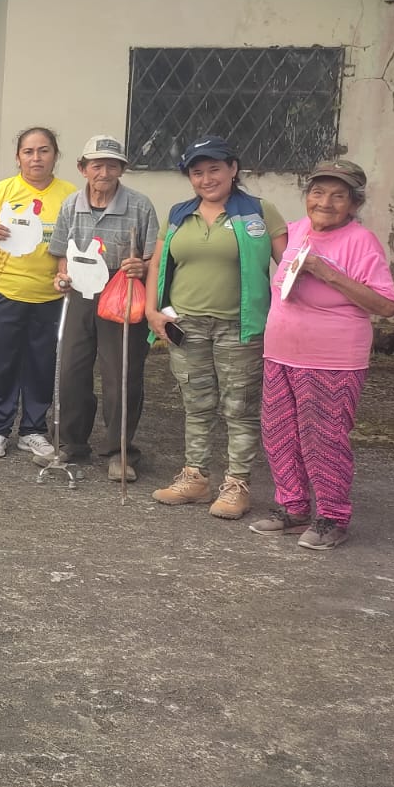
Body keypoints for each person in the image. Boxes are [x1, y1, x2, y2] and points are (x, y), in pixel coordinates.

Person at [252, 160, 394, 548]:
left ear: (354, 203)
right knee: (279, 432)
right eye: (317, 192)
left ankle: (332, 517)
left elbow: (386, 305)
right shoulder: (297, 230)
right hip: (281, 351)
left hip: (331, 357)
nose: (325, 202)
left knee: (323, 438)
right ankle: (293, 507)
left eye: (338, 195)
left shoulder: (361, 241)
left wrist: (328, 272)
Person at [146, 137, 288, 519]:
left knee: (239, 407)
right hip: (185, 324)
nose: (206, 179)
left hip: (240, 326)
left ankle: (237, 484)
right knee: (196, 404)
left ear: (233, 169)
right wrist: (151, 311)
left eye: (214, 169)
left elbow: (288, 267)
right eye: (197, 172)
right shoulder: (178, 214)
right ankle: (195, 477)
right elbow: (157, 264)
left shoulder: (259, 211)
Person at [47, 135, 160, 480]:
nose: (104, 172)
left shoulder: (140, 205)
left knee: (121, 374)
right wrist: (62, 275)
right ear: (83, 168)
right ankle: (70, 443)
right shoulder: (70, 204)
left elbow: (154, 257)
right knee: (70, 370)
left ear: (122, 169)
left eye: (112, 166)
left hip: (122, 290)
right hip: (80, 290)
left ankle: (120, 451)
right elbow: (61, 253)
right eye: (97, 165)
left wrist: (141, 266)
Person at [0, 127, 76, 460]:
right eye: (28, 152)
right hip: (5, 290)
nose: (36, 158)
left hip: (50, 295)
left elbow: (76, 242)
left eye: (44, 151)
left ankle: (33, 430)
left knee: (41, 364)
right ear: (18, 157)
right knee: (2, 364)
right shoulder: (1, 191)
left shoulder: (71, 195)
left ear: (55, 155)